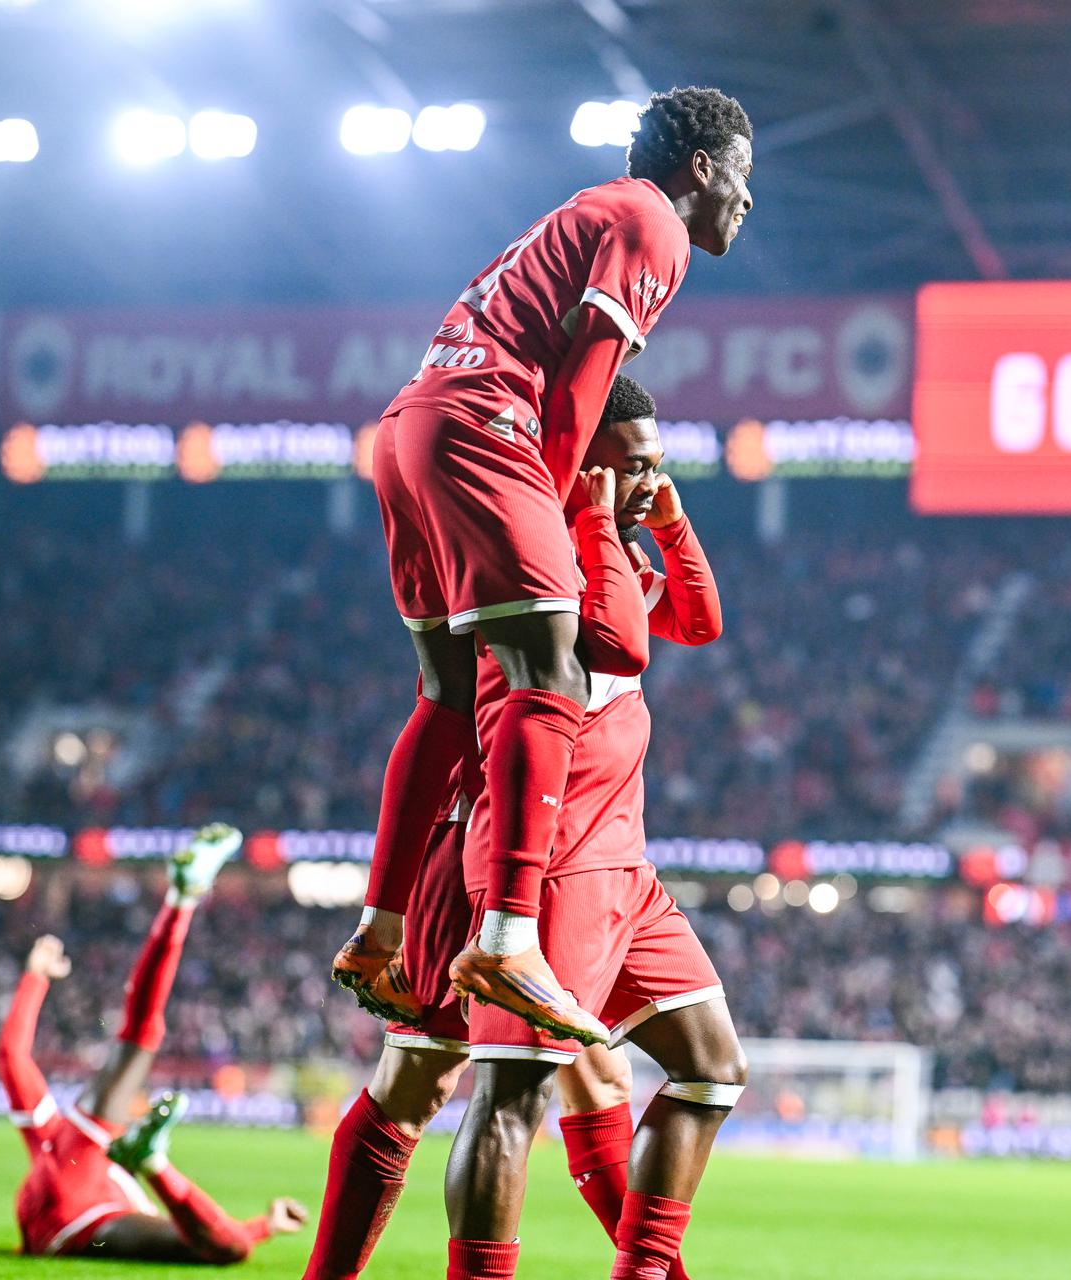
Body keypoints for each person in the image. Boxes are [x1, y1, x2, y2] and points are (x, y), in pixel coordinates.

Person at [333, 86, 754, 1048]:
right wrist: (564, 523)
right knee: (550, 665)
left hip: (411, 425)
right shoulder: (655, 225)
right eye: (743, 175)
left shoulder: (589, 210)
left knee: (445, 694)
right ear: (701, 168)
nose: (747, 200)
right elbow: (577, 394)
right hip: (489, 428)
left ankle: (378, 927)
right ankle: (510, 935)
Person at [305, 376, 719, 1280]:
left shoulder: (587, 547)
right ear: (587, 460)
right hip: (531, 864)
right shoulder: (545, 564)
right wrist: (608, 521)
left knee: (465, 1079)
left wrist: (665, 520)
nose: (656, 475)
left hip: (593, 860)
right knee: (475, 1089)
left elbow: (697, 620)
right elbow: (619, 644)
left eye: (660, 460)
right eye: (640, 461)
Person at [0, 825, 308, 1262]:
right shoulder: (61, 1140)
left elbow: (11, 1056)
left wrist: (34, 977)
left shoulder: (52, 1137)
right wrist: (263, 1227)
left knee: (139, 1037)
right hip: (84, 1218)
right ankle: (154, 1163)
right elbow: (10, 1058)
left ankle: (181, 901)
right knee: (221, 1248)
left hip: (63, 1215)